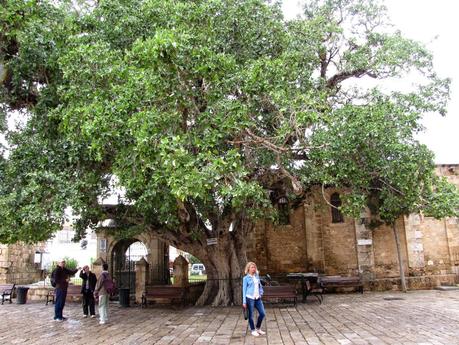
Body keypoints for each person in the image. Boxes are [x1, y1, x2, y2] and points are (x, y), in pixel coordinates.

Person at [242, 262, 266, 337]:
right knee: (251, 315)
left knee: (262, 313)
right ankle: (253, 330)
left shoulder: (257, 276)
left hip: (257, 298)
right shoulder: (245, 278)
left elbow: (260, 286)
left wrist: (261, 293)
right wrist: (244, 301)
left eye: (254, 267)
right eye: (252, 267)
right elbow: (244, 290)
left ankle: (258, 328)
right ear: (248, 268)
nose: (253, 269)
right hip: (249, 298)